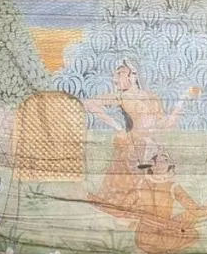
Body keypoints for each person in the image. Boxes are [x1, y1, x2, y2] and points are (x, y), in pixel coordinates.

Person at [83, 60, 199, 205]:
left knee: (153, 189)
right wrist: (117, 127)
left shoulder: (150, 96)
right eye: (115, 75)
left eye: (120, 73)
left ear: (133, 75)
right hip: (133, 146)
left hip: (152, 148)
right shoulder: (121, 97)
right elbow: (89, 103)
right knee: (124, 194)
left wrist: (182, 100)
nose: (115, 78)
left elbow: (165, 124)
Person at [88, 150, 207, 254]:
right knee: (191, 232)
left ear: (169, 166)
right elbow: (121, 211)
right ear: (152, 165)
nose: (162, 163)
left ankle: (156, 252)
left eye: (165, 160)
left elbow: (195, 211)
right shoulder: (143, 185)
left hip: (148, 237)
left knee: (188, 218)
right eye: (159, 160)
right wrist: (92, 199)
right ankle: (159, 253)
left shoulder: (171, 185)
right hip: (150, 238)